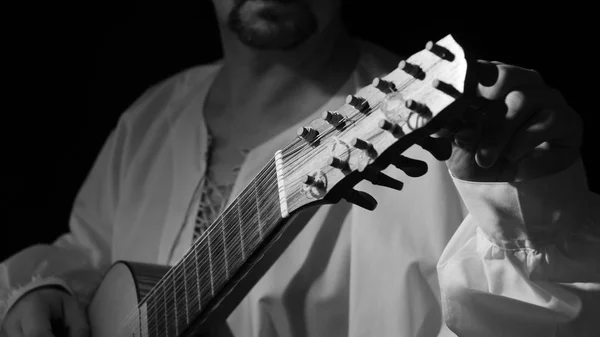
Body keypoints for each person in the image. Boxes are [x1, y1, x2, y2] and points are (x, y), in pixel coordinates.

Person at [1, 0, 599, 336]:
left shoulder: (430, 137)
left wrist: (536, 208)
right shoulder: (153, 114)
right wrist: (41, 291)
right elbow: (85, 253)